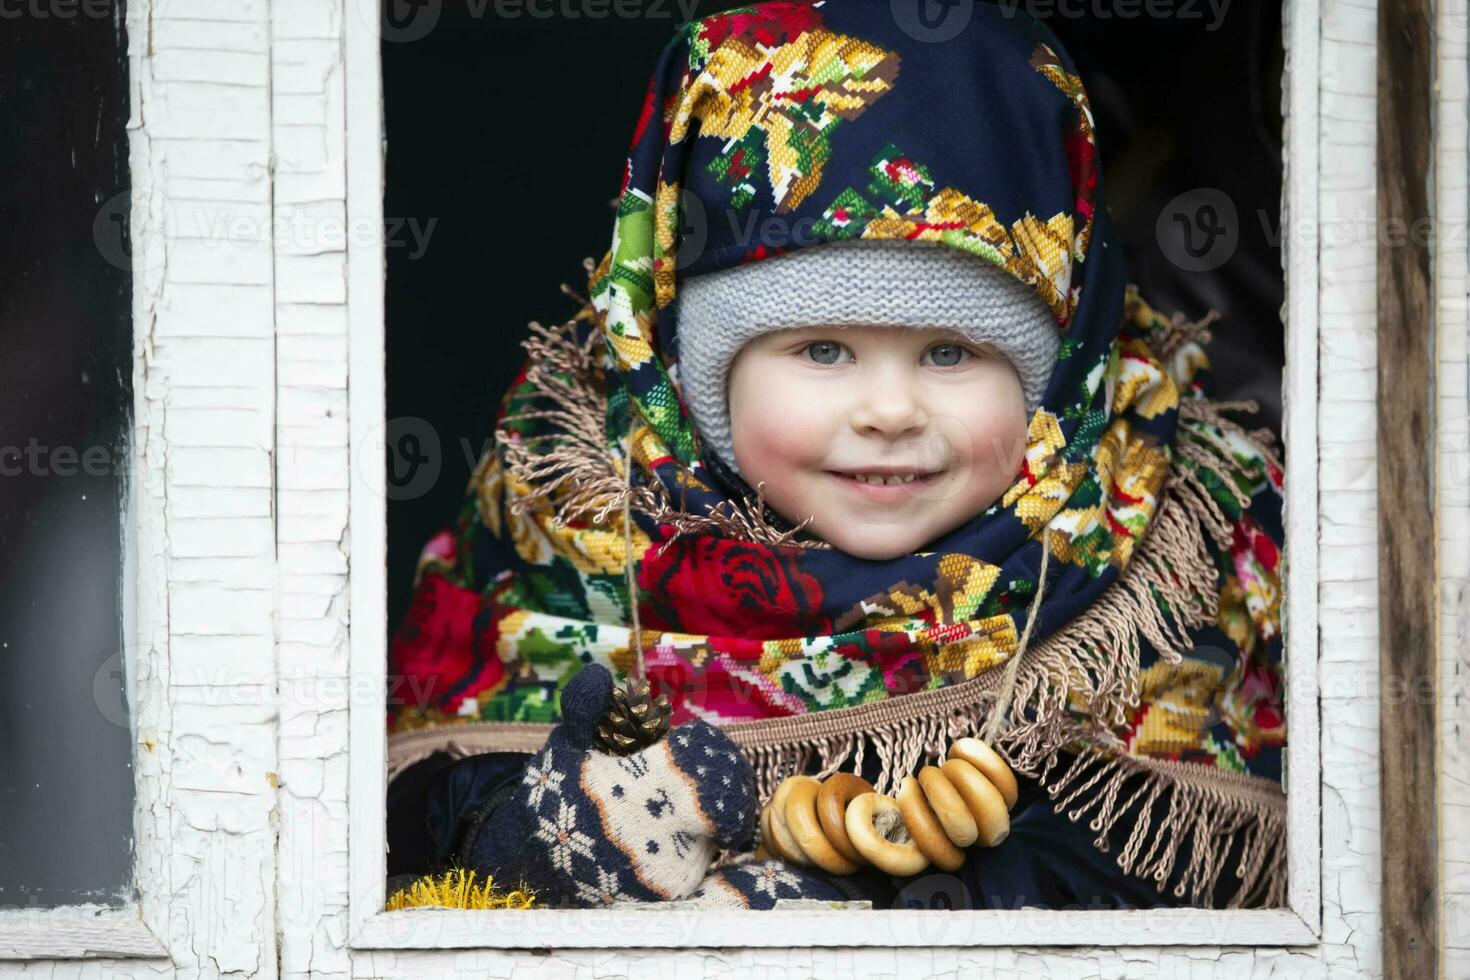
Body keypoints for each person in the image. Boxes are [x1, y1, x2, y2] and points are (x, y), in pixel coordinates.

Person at [385, 0, 1287, 911]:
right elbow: (410, 787)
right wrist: (516, 826)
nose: (890, 411)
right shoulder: (562, 507)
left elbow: (1196, 869)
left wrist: (920, 895)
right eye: (822, 351)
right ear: (696, 379)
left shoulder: (1178, 543)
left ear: (1056, 383)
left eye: (952, 352)